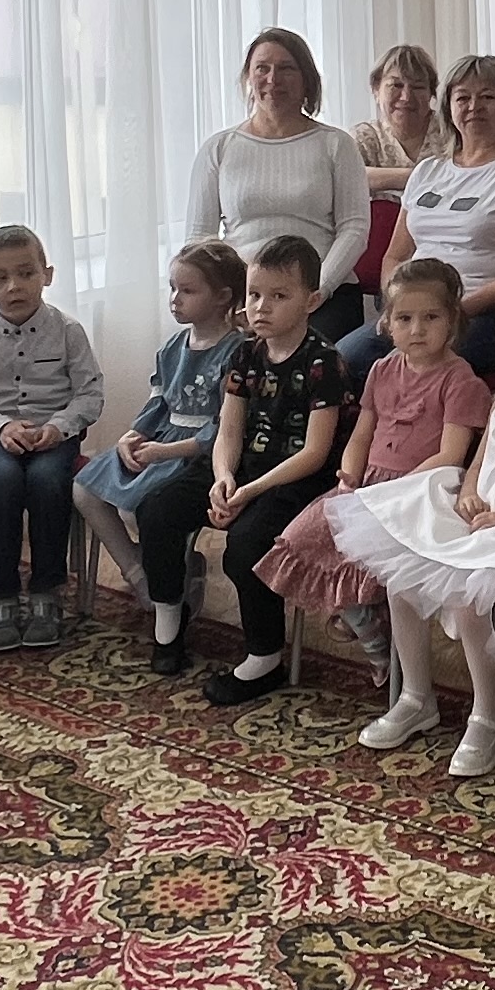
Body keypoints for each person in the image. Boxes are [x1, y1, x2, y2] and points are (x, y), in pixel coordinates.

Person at [330, 272, 495, 779]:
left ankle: (486, 716)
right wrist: (470, 492)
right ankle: (415, 696)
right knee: (406, 570)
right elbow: (480, 460)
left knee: (470, 593)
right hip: (488, 511)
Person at [254, 257, 491, 742]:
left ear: (453, 320)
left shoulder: (460, 379)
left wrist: (387, 492)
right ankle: (371, 629)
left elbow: (450, 455)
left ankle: (399, 666)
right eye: (404, 318)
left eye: (431, 317)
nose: (417, 329)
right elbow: (362, 434)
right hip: (370, 484)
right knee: (303, 537)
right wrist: (349, 477)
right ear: (387, 323)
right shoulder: (382, 370)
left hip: (421, 491)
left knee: (379, 561)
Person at [198, 237, 350, 708]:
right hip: (247, 471)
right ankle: (167, 622)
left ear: (312, 301)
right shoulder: (245, 354)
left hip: (299, 480)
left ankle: (265, 658)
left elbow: (316, 453)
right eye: (254, 294)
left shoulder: (323, 361)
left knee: (244, 547)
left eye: (278, 296)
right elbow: (229, 429)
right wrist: (223, 477)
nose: (261, 307)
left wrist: (248, 491)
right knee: (163, 505)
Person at [78, 238, 242, 670]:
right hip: (161, 441)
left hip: (197, 453)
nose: (175, 299)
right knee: (84, 489)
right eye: (172, 288)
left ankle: (168, 600)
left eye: (187, 290)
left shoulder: (237, 352)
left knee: (155, 510)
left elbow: (224, 427)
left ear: (223, 297)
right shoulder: (172, 348)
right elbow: (158, 403)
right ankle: (141, 576)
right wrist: (131, 436)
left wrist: (164, 452)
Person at [0, 225, 104, 651]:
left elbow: (90, 394)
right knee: (1, 480)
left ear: (47, 275)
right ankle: (2, 594)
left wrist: (58, 427)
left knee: (48, 481)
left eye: (26, 273)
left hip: (54, 434)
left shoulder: (68, 331)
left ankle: (46, 590)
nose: (14, 286)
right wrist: (0, 426)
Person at [357, 53, 495, 379]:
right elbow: (395, 255)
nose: (474, 107)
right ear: (448, 107)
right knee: (346, 360)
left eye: (487, 97)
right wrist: (396, 304)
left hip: (487, 314)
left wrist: (459, 308)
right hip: (414, 312)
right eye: (463, 98)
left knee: (416, 369)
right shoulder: (427, 171)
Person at [185, 29, 368, 339]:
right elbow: (199, 240)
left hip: (323, 298)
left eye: (286, 68)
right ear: (248, 76)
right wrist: (239, 295)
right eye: (262, 68)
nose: (273, 79)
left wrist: (317, 290)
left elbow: (355, 229)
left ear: (306, 79)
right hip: (243, 299)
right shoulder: (219, 148)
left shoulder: (337, 145)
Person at [355, 43, 445, 196]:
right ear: (376, 90)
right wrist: (417, 177)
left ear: (431, 93)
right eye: (396, 85)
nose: (406, 97)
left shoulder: (450, 133)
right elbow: (346, 176)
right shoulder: (365, 137)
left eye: (418, 87)